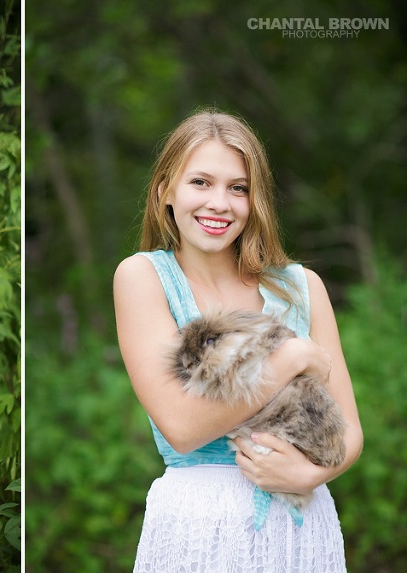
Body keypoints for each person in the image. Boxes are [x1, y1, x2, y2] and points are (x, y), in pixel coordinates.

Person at [113, 109, 363, 572]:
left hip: (301, 523)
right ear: (165, 190)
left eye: (238, 188)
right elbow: (183, 427)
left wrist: (310, 474)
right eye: (200, 183)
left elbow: (350, 431)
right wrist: (289, 358)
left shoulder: (302, 286)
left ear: (255, 199)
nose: (219, 204)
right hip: (199, 524)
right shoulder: (144, 277)